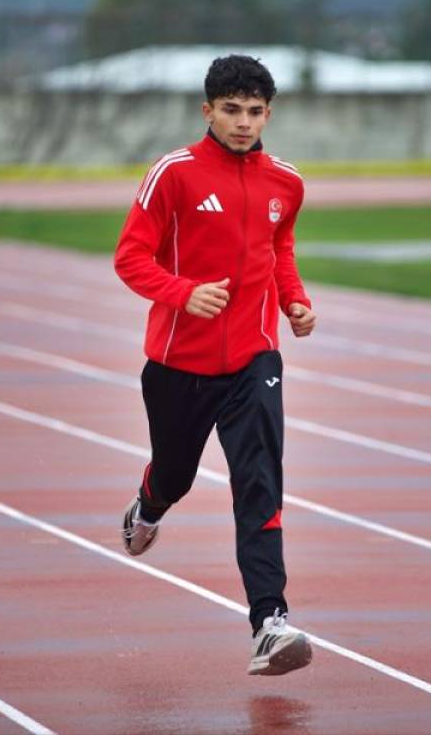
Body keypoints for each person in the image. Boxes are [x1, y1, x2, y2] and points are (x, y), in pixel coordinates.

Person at [113, 54, 317, 676]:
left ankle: (269, 623)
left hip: (255, 361)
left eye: (255, 112)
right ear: (208, 111)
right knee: (176, 473)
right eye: (231, 110)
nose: (244, 122)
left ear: (269, 114)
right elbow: (130, 258)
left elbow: (278, 246)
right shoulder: (172, 174)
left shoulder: (286, 182)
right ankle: (150, 502)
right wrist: (183, 293)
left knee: (259, 483)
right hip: (178, 365)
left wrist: (294, 299)